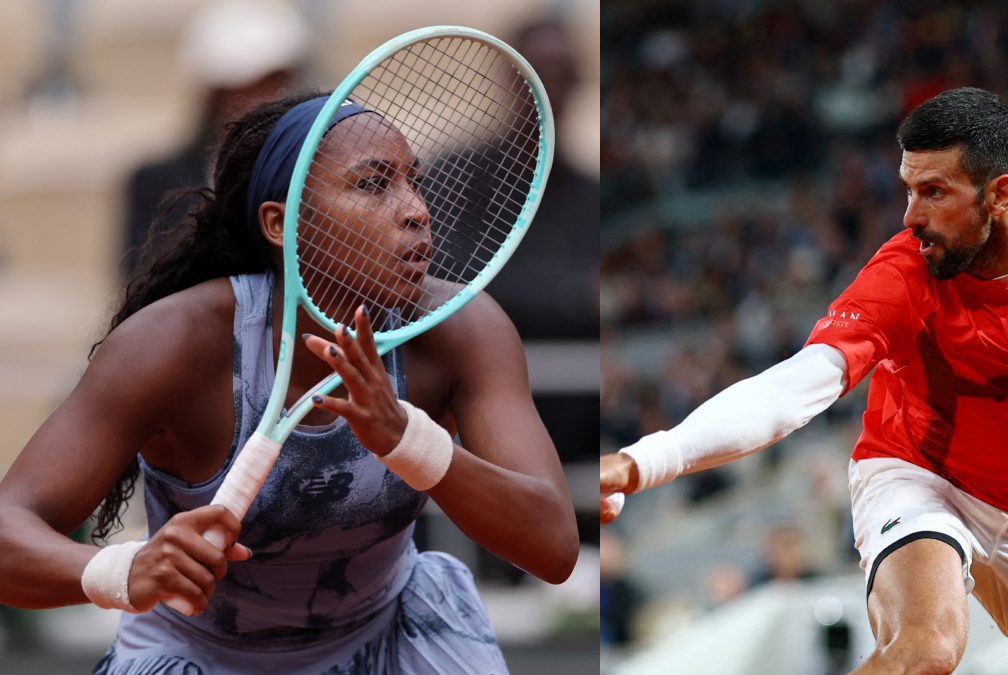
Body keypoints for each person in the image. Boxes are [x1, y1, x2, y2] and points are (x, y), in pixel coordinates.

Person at [601, 87, 1008, 673]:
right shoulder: (904, 273)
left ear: (1000, 194)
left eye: (934, 192)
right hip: (920, 478)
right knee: (927, 648)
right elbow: (792, 388)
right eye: (908, 190)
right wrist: (641, 461)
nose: (912, 215)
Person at [0, 91, 579, 674]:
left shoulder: (463, 330)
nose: (416, 210)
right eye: (373, 184)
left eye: (414, 182)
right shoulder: (171, 345)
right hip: (197, 657)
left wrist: (412, 443)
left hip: (389, 643)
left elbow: (553, 543)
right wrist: (124, 570)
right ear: (281, 223)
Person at [123, 0, 309, 278]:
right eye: (247, 85)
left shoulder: (317, 173)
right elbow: (141, 282)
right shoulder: (154, 181)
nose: (265, 99)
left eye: (273, 81)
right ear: (215, 93)